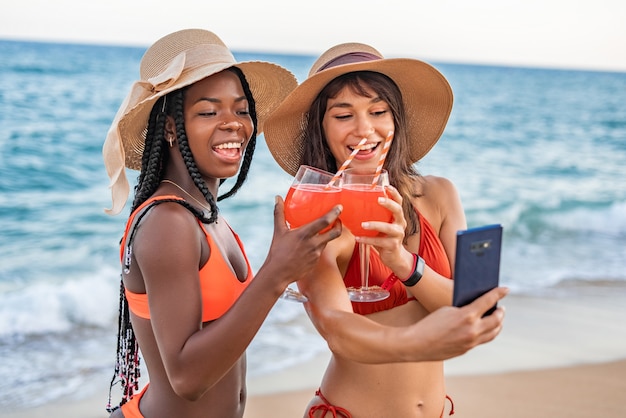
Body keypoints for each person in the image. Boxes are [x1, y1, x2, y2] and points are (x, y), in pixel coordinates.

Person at [102, 29, 342, 418]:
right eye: (209, 111)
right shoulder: (168, 222)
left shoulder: (205, 214)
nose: (234, 123)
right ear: (170, 128)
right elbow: (187, 379)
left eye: (242, 109)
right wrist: (277, 272)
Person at [264, 43, 508, 417]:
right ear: (322, 128)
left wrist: (402, 262)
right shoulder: (317, 216)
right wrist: (418, 341)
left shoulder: (439, 195)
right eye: (343, 115)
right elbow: (337, 330)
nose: (365, 128)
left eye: (378, 111)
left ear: (396, 120)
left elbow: (467, 306)